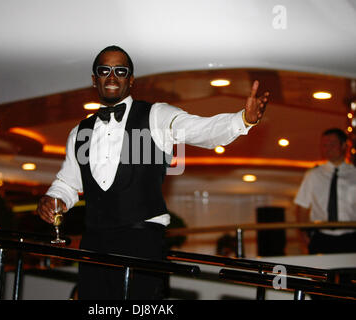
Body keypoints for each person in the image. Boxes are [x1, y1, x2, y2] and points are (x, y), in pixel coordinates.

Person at [37, 45, 269, 300]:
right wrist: (53, 198)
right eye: (105, 70)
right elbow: (68, 183)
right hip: (93, 244)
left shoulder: (157, 115)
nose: (112, 76)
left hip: (141, 241)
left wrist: (242, 120)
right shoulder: (79, 131)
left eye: (121, 71)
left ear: (131, 79)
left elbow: (201, 130)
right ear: (95, 79)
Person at [294, 128, 356, 254]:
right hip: (321, 237)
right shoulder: (313, 175)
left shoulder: (354, 173)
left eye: (332, 144)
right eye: (324, 145)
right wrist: (304, 235)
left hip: (351, 237)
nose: (327, 148)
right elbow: (302, 207)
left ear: (344, 145)